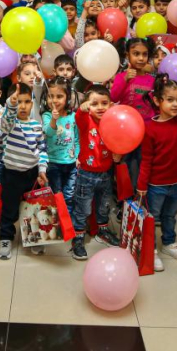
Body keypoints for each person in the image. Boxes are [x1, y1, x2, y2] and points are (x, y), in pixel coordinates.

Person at [138, 68, 177, 272]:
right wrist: (142, 184)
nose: (176, 104)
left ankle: (169, 242)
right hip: (157, 184)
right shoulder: (150, 128)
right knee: (152, 217)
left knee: (170, 215)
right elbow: (146, 160)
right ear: (157, 101)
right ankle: (151, 248)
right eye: (170, 100)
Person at [0, 83, 49, 259]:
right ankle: (6, 237)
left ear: (32, 103)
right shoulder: (10, 123)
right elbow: (6, 121)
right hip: (11, 174)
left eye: (27, 102)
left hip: (32, 175)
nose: (23, 106)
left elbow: (42, 149)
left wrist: (42, 169)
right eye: (18, 102)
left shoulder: (36, 125)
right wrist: (11, 104)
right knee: (9, 208)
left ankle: (34, 237)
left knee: (32, 208)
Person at [70, 86, 121, 260]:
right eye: (94, 104)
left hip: (106, 173)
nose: (100, 107)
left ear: (111, 105)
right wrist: (82, 109)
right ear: (88, 106)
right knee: (83, 207)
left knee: (104, 205)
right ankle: (78, 236)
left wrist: (118, 154)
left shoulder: (112, 122)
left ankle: (102, 230)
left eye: (104, 103)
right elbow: (79, 117)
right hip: (86, 174)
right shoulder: (86, 120)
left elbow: (119, 140)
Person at [110, 38, 156, 185]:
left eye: (144, 54)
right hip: (126, 130)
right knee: (126, 165)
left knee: (143, 164)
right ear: (127, 55)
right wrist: (125, 79)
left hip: (146, 130)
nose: (141, 58)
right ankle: (126, 194)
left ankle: (140, 193)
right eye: (136, 54)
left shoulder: (152, 80)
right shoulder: (121, 76)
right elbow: (114, 97)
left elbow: (155, 106)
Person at [43, 77, 79, 209]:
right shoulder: (47, 115)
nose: (54, 100)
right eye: (50, 96)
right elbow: (48, 132)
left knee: (69, 195)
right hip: (53, 163)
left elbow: (77, 139)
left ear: (67, 97)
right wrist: (54, 119)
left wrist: (77, 156)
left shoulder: (73, 116)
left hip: (71, 164)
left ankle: (67, 219)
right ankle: (57, 219)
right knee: (56, 195)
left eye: (59, 96)